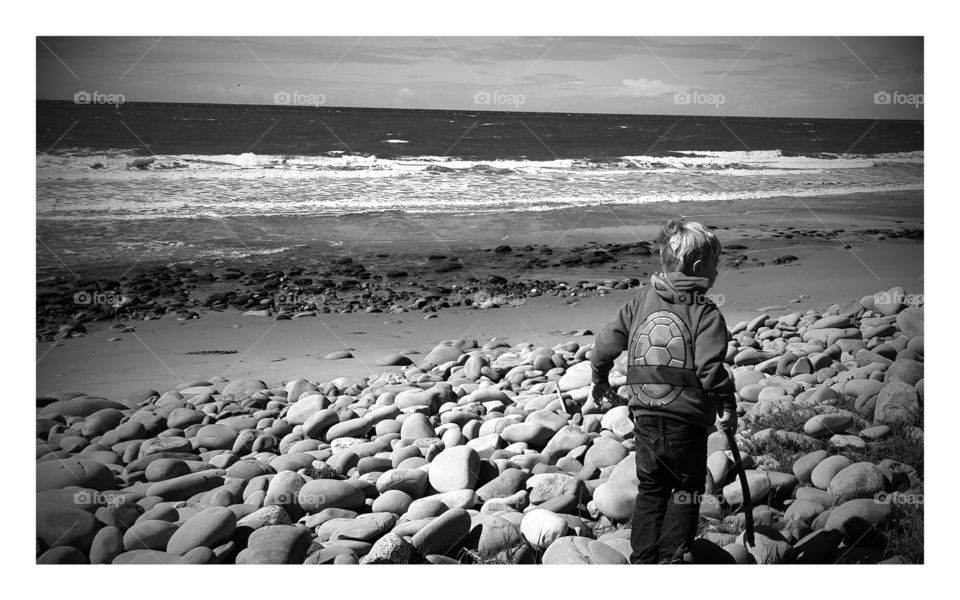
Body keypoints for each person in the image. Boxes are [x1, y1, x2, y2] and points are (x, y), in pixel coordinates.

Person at [590, 219, 737, 564]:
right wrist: (726, 405)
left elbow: (604, 344)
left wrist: (598, 377)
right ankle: (671, 560)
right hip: (685, 424)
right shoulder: (705, 312)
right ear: (700, 268)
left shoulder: (639, 302)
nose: (717, 273)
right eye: (716, 265)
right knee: (686, 490)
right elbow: (710, 369)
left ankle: (643, 560)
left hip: (645, 418)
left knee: (652, 490)